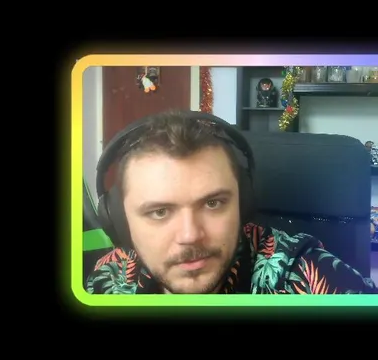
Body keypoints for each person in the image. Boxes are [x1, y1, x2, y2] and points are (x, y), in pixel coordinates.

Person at [86, 110, 374, 295]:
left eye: (213, 203)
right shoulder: (109, 279)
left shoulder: (300, 274)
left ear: (242, 202)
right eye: (159, 212)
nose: (190, 235)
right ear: (119, 220)